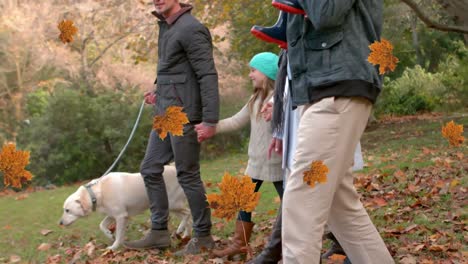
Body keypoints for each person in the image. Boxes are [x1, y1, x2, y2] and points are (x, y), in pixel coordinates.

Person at [271, 0, 395, 263]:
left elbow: (325, 13)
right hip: (325, 85)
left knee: (303, 194)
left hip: (338, 86)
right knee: (341, 209)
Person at [124, 0, 220, 256]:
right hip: (165, 113)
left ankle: (203, 237)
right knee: (150, 168)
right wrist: (159, 92)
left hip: (184, 115)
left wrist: (209, 120)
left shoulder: (191, 28)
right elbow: (176, 72)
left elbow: (207, 75)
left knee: (187, 174)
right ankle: (159, 232)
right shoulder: (166, 26)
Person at [197, 52, 284, 259]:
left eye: (254, 70)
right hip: (255, 163)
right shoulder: (256, 98)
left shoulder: (280, 100)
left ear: (267, 72)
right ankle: (240, 246)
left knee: (290, 203)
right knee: (243, 202)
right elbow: (236, 121)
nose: (250, 75)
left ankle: (294, 243)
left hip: (278, 164)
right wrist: (210, 127)